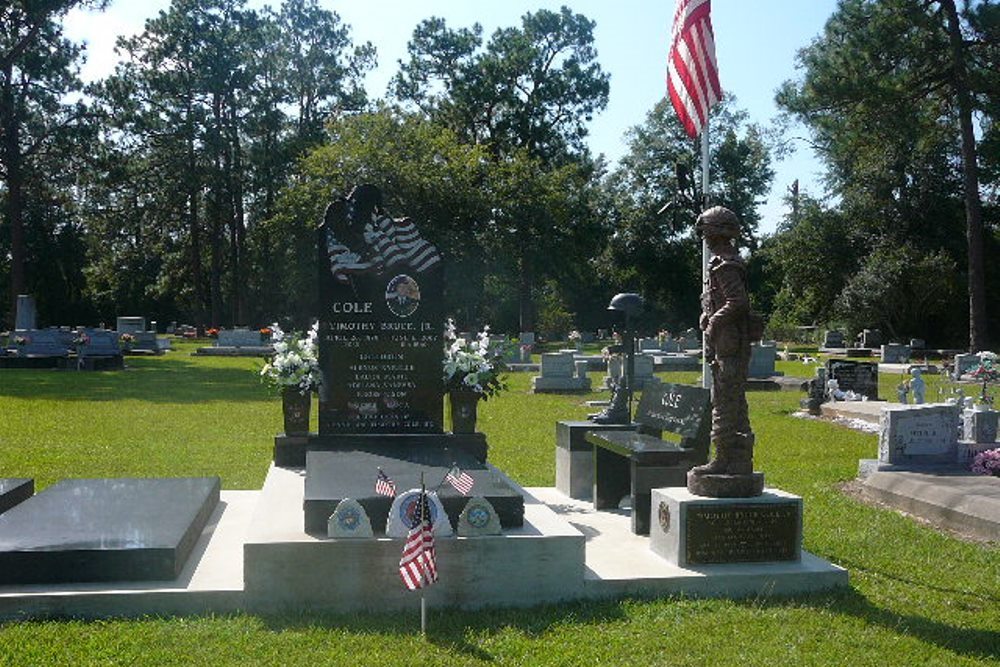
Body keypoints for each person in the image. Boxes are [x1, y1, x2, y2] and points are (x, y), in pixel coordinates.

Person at [689, 206, 762, 479]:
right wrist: (705, 316)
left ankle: (722, 459)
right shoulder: (722, 261)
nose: (703, 237)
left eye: (706, 231)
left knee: (724, 401)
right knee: (733, 402)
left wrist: (714, 321)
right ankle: (739, 459)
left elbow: (737, 302)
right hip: (725, 342)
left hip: (730, 344)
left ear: (717, 232)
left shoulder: (725, 264)